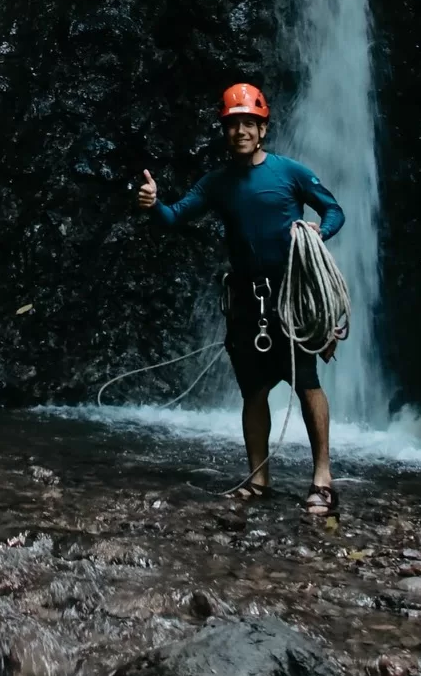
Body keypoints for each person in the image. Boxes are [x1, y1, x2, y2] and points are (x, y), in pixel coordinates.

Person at [138, 82, 344, 511]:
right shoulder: (217, 183)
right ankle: (258, 477)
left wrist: (315, 237)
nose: (241, 132)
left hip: (293, 297)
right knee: (253, 389)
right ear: (225, 131)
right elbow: (174, 217)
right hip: (247, 300)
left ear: (263, 129)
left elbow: (333, 210)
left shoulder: (290, 173)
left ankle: (322, 477)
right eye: (233, 125)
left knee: (306, 383)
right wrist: (153, 202)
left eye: (249, 124)